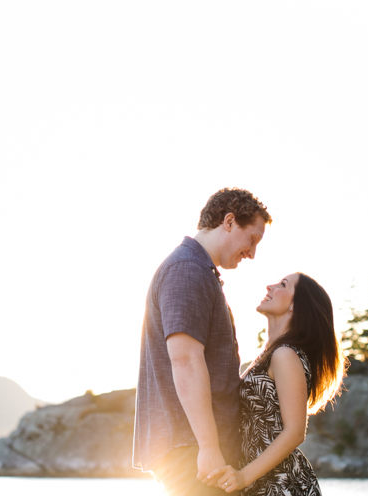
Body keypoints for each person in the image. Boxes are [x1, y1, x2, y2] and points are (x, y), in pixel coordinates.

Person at [134, 188, 272, 496]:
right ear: (229, 221)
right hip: (191, 447)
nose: (252, 253)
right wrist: (209, 447)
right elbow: (185, 360)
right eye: (252, 239)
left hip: (192, 446)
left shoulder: (197, 270)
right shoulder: (187, 269)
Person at [207, 273, 345, 496]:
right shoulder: (271, 354)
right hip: (263, 482)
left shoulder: (285, 355)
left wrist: (243, 476)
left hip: (281, 485)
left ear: (295, 307)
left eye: (282, 285)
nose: (270, 286)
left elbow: (295, 432)